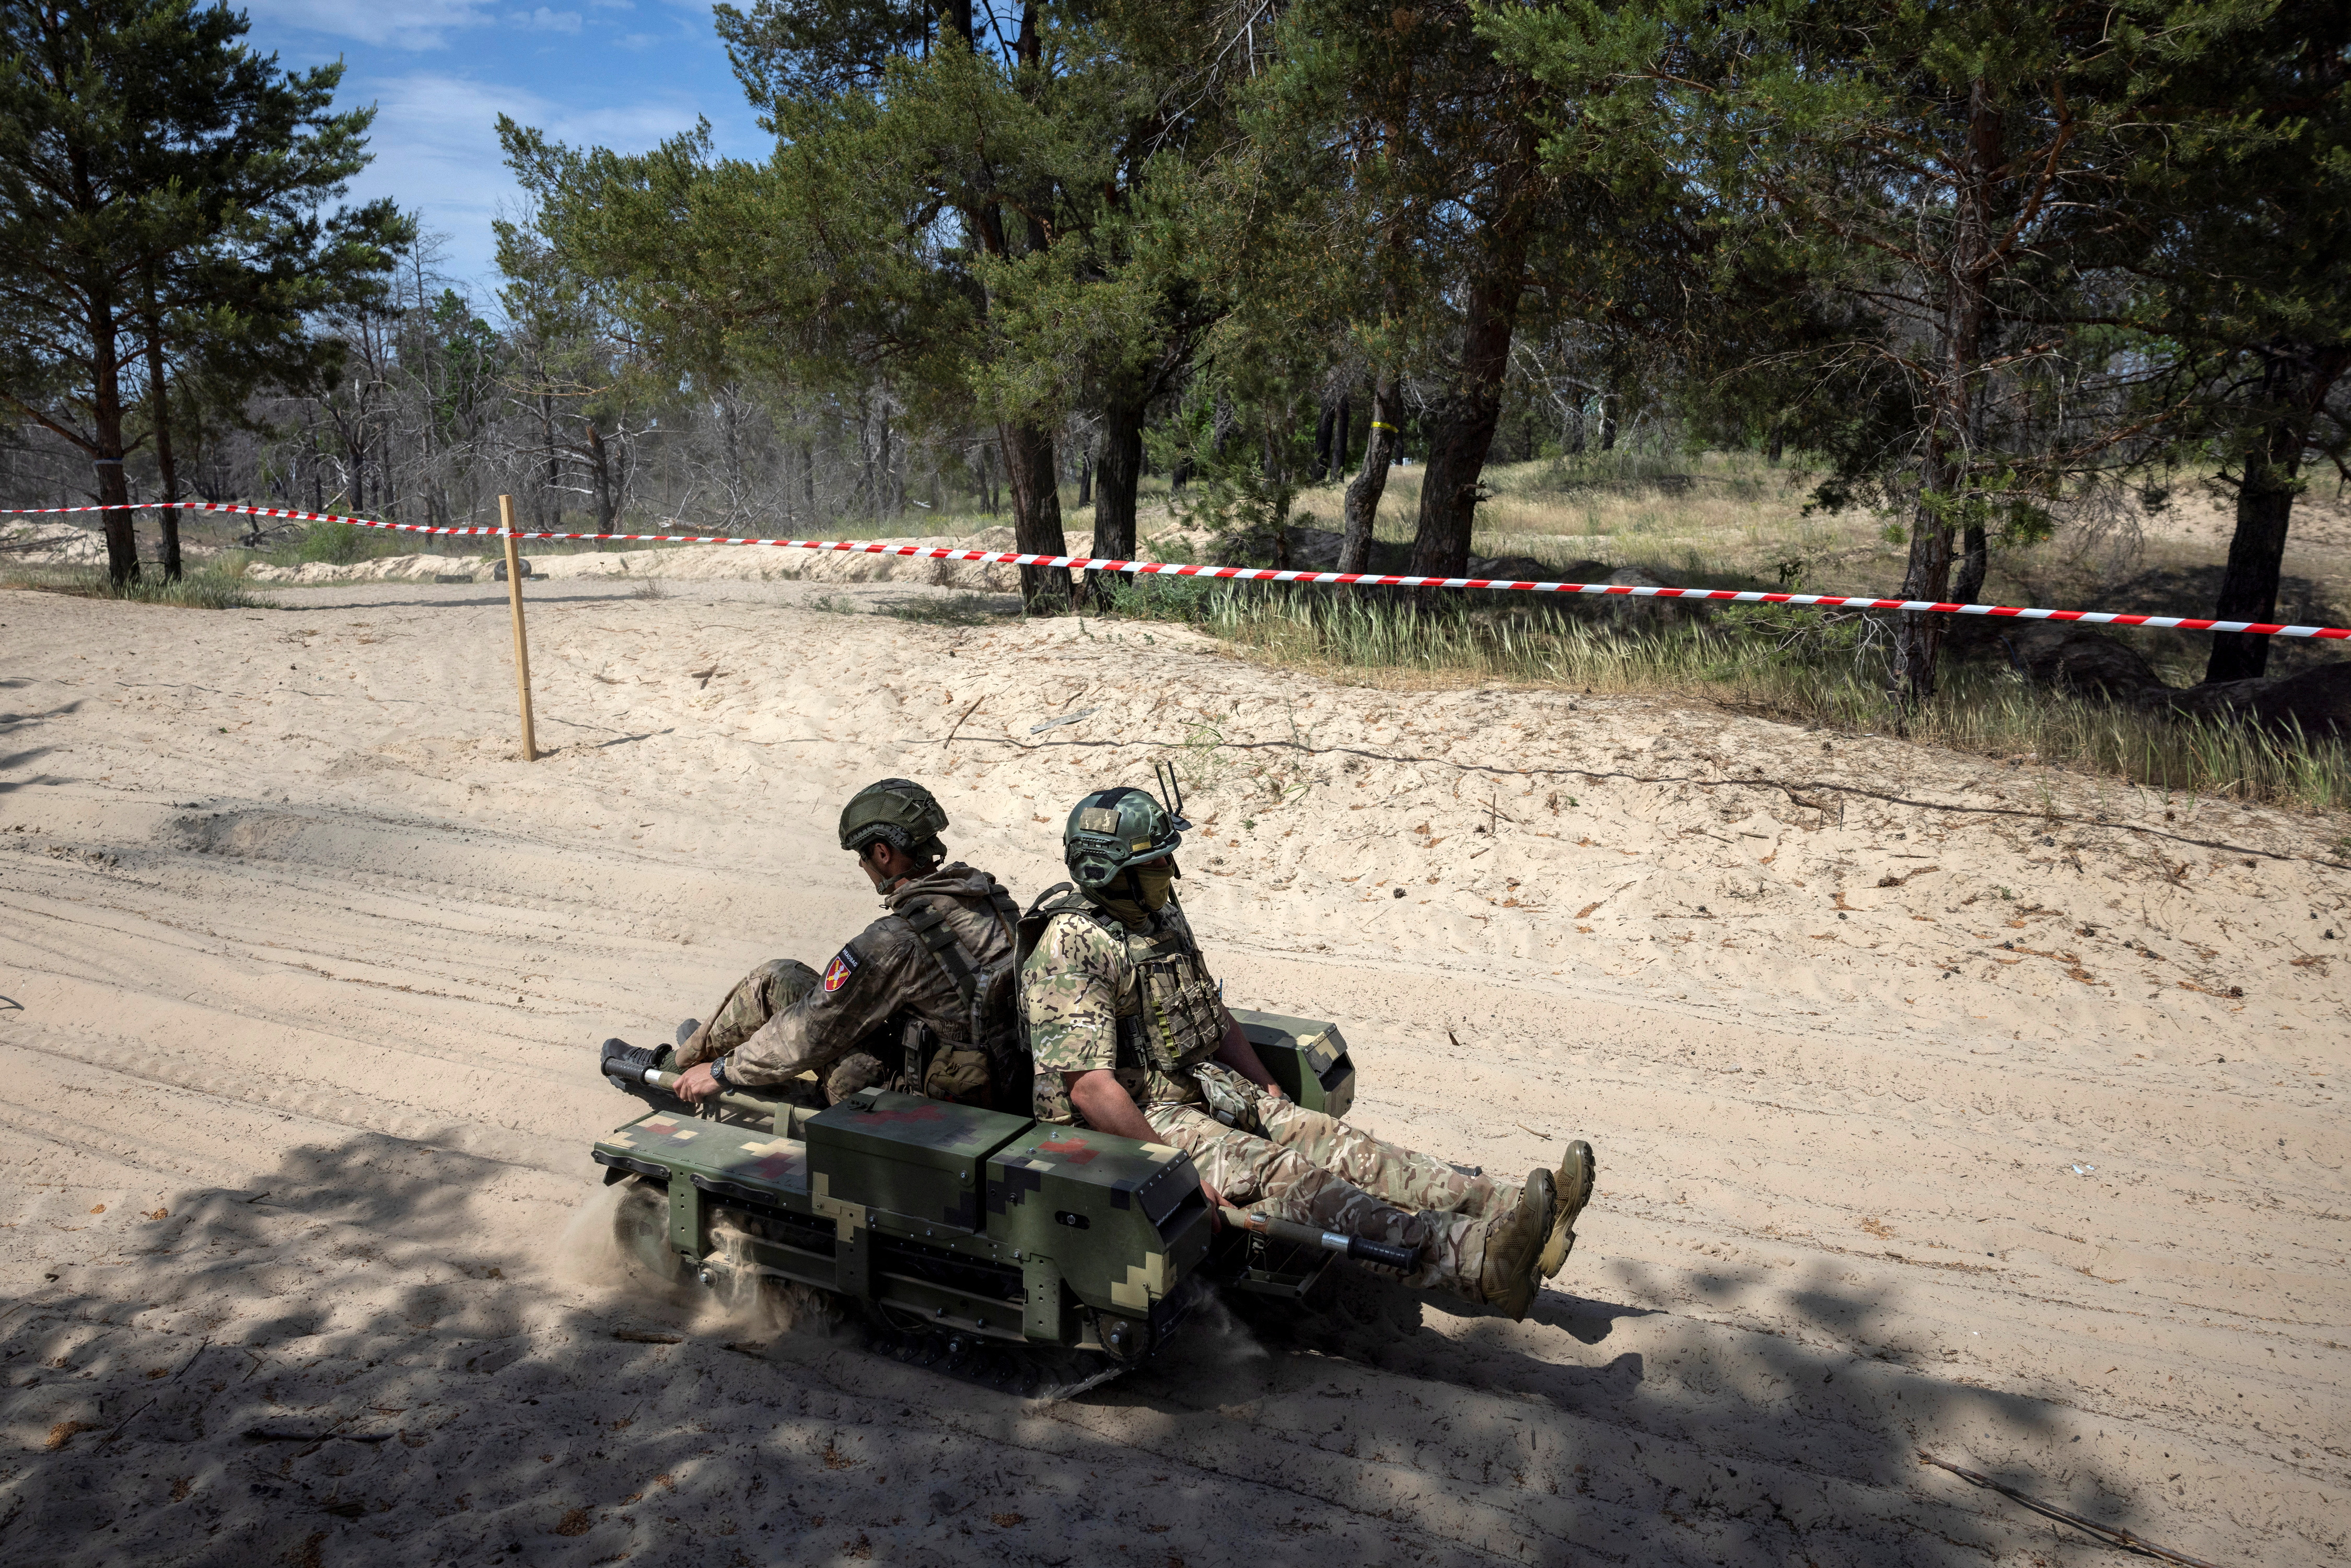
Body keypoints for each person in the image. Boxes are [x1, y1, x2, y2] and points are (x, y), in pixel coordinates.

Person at [1019, 783, 1597, 1320]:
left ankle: (1512, 1208)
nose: (1170, 870)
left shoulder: (1158, 916)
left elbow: (1211, 1012)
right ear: (1112, 874)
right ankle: (1481, 1261)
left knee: (1346, 1147)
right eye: (1156, 863)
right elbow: (1090, 1088)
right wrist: (1170, 1174)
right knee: (1301, 1184)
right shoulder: (1070, 949)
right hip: (1139, 1124)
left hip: (1205, 1086)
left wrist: (1266, 1091)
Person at [665, 779, 1022, 1110]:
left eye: (863, 857)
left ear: (883, 853)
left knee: (776, 980)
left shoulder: (896, 939)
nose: (865, 867)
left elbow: (813, 1029)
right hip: (998, 1082)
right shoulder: (992, 898)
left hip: (918, 1108)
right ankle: (698, 1050)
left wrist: (723, 1071)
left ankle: (675, 1069)